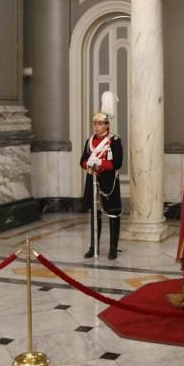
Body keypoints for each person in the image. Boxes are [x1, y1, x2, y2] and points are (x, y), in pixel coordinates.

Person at [80, 110, 123, 260]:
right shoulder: (90, 141)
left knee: (113, 214)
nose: (96, 127)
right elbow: (82, 161)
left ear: (107, 125)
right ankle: (93, 247)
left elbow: (117, 163)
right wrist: (89, 164)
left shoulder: (114, 141)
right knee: (94, 215)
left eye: (100, 124)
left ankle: (113, 248)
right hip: (93, 182)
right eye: (95, 123)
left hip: (108, 182)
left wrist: (101, 164)